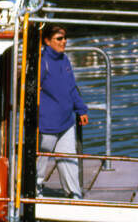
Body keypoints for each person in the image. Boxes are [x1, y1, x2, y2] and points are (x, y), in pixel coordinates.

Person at [37, 24, 89, 199]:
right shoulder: (41, 62)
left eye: (65, 38)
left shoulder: (65, 59)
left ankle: (74, 195)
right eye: (59, 38)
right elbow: (32, 90)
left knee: (69, 161)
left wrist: (81, 109)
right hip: (46, 124)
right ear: (47, 41)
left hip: (66, 122)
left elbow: (71, 87)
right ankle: (34, 193)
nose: (64, 41)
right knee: (39, 163)